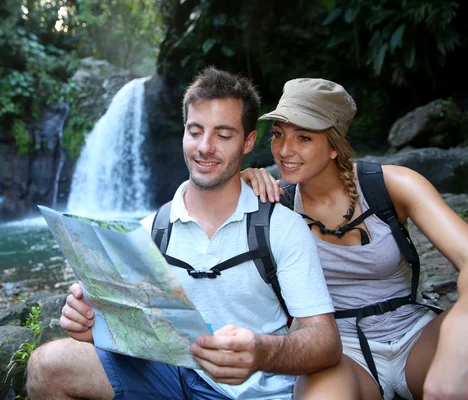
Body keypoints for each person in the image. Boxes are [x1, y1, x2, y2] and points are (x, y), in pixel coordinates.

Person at [26, 67, 341, 400]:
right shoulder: (147, 231)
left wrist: (262, 352)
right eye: (195, 131)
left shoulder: (282, 227)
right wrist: (91, 324)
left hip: (250, 391)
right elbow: (131, 330)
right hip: (166, 378)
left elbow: (325, 341)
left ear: (248, 141)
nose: (204, 147)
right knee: (48, 364)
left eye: (223, 134)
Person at [241, 77, 468, 400]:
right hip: (337, 350)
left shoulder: (391, 185)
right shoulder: (274, 201)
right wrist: (236, 182)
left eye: (303, 137)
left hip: (415, 335)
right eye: (278, 135)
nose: (284, 150)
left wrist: (458, 342)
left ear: (334, 147)